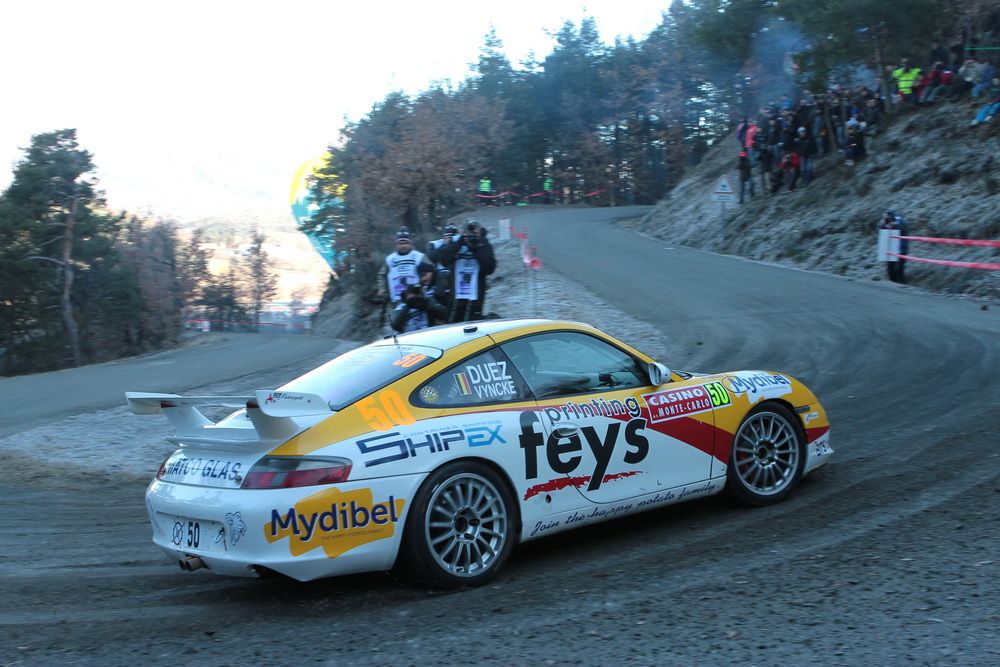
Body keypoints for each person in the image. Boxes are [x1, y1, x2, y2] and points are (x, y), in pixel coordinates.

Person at [436, 219, 496, 322]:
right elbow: (444, 260)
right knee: (452, 327)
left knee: (472, 327)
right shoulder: (456, 242)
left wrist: (475, 248)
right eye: (469, 230)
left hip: (475, 298)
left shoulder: (484, 245)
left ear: (479, 231)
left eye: (474, 230)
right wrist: (461, 242)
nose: (471, 233)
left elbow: (490, 268)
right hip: (455, 297)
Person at [376, 227, 433, 305]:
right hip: (396, 300)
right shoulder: (389, 259)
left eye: (406, 243)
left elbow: (432, 270)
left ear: (410, 243)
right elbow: (381, 275)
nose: (403, 246)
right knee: (392, 313)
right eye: (401, 243)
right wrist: (382, 289)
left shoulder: (420, 256)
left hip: (417, 298)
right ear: (396, 244)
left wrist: (425, 281)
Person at [879, 210, 908, 284]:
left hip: (901, 248)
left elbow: (901, 228)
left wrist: (891, 225)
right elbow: (883, 229)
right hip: (892, 248)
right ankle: (892, 282)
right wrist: (884, 225)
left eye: (887, 218)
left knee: (900, 267)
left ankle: (901, 282)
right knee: (890, 266)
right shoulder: (887, 222)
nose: (885, 220)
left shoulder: (899, 221)